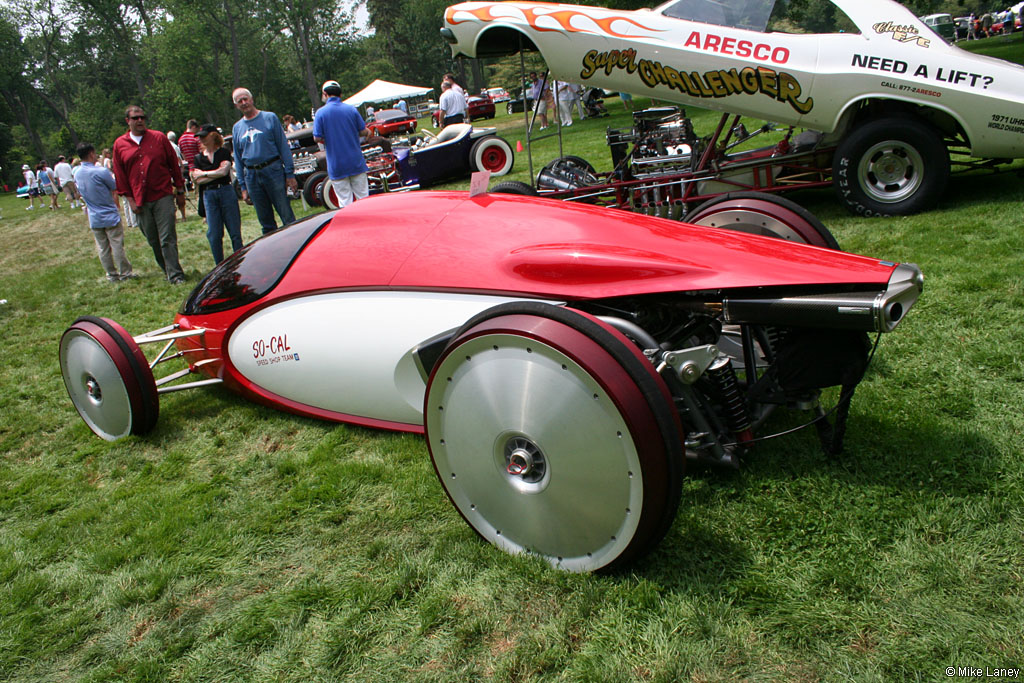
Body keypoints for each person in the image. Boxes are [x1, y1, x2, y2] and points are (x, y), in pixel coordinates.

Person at [112, 104, 188, 284]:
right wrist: (129, 200)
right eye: (135, 118)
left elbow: (173, 165)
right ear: (127, 121)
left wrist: (180, 189)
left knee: (167, 237)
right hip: (139, 200)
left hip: (162, 195)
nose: (140, 121)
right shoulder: (120, 144)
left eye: (142, 117)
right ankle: (166, 269)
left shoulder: (158, 138)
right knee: (153, 239)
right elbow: (120, 175)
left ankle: (176, 275)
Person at [231, 87, 297, 234]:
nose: (243, 103)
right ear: (236, 105)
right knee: (265, 220)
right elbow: (238, 157)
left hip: (273, 170)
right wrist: (243, 186)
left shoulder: (269, 118)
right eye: (239, 101)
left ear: (251, 99)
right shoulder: (237, 128)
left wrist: (290, 174)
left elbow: (283, 147)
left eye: (245, 99)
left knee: (286, 215)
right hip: (252, 175)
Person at [75, 142, 135, 282]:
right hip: (109, 214)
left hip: (94, 216)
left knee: (103, 248)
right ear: (91, 154)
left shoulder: (77, 173)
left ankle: (111, 274)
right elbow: (115, 186)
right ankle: (125, 273)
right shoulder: (100, 171)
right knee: (117, 245)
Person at [313, 80, 369, 208]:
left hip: (337, 164)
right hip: (356, 162)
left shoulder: (321, 113)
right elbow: (362, 131)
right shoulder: (351, 110)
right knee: (364, 199)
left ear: (325, 93)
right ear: (340, 94)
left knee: (345, 201)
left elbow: (317, 138)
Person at [191, 124, 243, 264]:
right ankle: (219, 265)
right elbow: (197, 179)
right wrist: (211, 174)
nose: (201, 139)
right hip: (209, 195)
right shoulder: (198, 158)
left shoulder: (224, 153)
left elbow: (224, 172)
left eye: (204, 136)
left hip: (226, 191)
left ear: (213, 136)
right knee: (214, 234)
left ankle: (240, 261)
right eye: (199, 137)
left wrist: (205, 173)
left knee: (235, 232)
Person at [166, 132, 187, 219]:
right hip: (176, 172)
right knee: (180, 194)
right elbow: (179, 159)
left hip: (169, 174)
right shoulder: (174, 146)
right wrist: (182, 169)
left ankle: (174, 217)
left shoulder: (166, 146)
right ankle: (183, 216)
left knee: (171, 197)